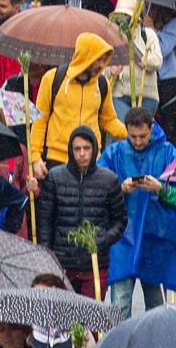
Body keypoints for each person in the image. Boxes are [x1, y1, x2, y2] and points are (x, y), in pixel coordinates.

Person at [96, 107, 176, 314]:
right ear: (126, 131)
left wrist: (160, 189)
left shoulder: (167, 152)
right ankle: (121, 346)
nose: (138, 141)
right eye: (133, 137)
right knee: (119, 307)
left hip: (156, 237)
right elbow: (97, 190)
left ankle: (154, 346)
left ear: (152, 129)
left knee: (156, 308)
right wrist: (120, 188)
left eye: (143, 136)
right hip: (123, 238)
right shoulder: (114, 153)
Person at [36, 126, 126, 298]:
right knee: (60, 317)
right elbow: (45, 220)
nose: (82, 154)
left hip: (95, 263)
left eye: (86, 148)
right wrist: (46, 256)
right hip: (61, 263)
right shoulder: (55, 177)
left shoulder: (109, 180)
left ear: (94, 149)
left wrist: (103, 239)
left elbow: (120, 220)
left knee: (91, 320)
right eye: (77, 149)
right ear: (71, 150)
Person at [27, 33, 127, 176]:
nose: (101, 64)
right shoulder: (52, 78)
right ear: (86, 57)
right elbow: (39, 119)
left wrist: (130, 134)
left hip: (91, 159)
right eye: (98, 59)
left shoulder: (102, 84)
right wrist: (35, 158)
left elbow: (109, 120)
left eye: (103, 60)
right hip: (57, 159)